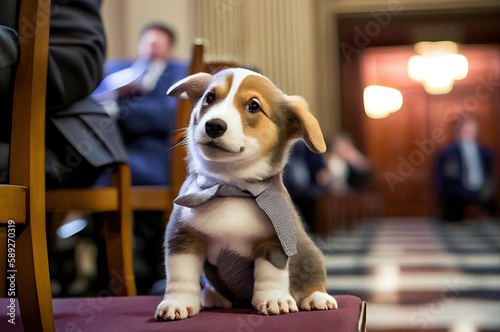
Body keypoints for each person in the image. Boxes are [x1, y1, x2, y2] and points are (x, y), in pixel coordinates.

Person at [93, 23, 188, 294]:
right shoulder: (117, 70)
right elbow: (94, 103)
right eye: (148, 42)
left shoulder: (179, 72)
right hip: (115, 152)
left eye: (158, 43)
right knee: (99, 170)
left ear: (169, 48)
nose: (152, 47)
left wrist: (122, 109)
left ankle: (139, 273)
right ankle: (108, 273)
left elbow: (169, 116)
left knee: (113, 173)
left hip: (157, 156)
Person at [434, 116, 497, 222]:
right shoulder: (447, 153)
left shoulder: (486, 152)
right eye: (465, 129)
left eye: (471, 128)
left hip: (482, 193)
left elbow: (490, 175)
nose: (469, 132)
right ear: (458, 130)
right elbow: (444, 179)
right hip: (457, 196)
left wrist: (484, 193)